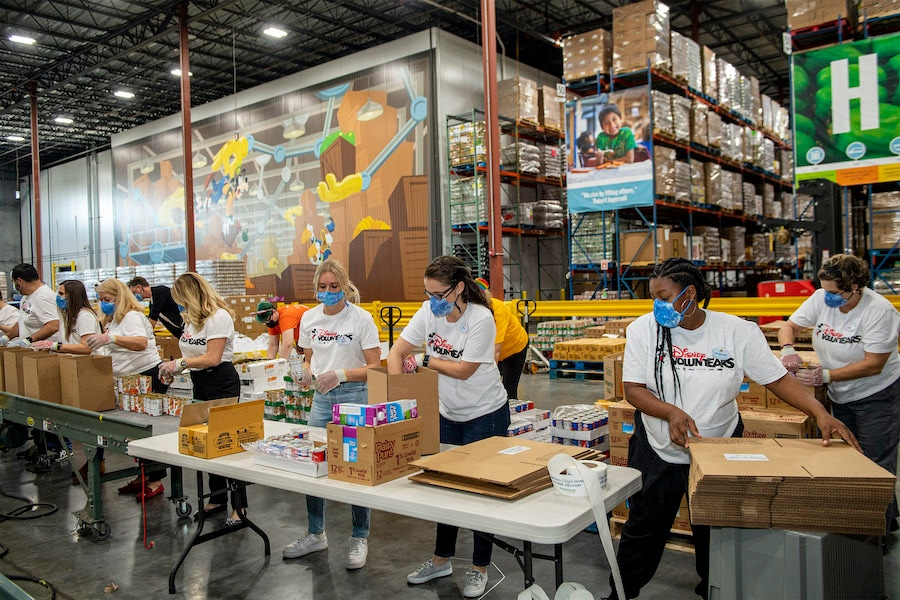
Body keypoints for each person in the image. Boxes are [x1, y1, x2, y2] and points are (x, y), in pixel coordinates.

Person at [603, 258, 859, 600]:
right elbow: (633, 388)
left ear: (689, 293)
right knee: (644, 527)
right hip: (658, 448)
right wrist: (671, 413)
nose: (657, 305)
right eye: (653, 297)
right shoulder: (643, 330)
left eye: (664, 296)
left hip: (718, 448)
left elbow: (778, 380)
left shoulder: (738, 331)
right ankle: (622, 592)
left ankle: (715, 589)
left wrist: (819, 412)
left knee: (715, 530)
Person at [388, 256, 509, 599]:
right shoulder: (429, 313)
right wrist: (400, 400)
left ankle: (479, 567)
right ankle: (441, 559)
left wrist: (425, 359)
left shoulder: (481, 319)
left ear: (458, 288)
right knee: (444, 487)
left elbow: (465, 369)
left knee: (480, 492)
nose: (433, 302)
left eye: (439, 294)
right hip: (448, 413)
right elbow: (397, 352)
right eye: (428, 294)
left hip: (485, 413)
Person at [778, 254, 900, 551]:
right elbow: (788, 326)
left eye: (836, 292)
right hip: (839, 394)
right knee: (849, 459)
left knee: (874, 463)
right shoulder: (821, 298)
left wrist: (826, 376)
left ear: (856, 287)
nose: (828, 297)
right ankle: (886, 518)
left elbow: (874, 364)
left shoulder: (879, 312)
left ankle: (874, 537)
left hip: (876, 395)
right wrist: (787, 349)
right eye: (825, 290)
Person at [282, 259, 381, 570]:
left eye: (334, 287)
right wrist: (304, 374)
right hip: (321, 399)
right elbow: (309, 359)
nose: (328, 292)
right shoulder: (310, 318)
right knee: (314, 463)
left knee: (356, 466)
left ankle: (359, 536)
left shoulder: (361, 319)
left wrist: (340, 374)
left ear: (344, 286)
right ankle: (316, 532)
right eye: (322, 288)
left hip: (354, 397)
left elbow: (375, 368)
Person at [161, 272, 245, 525]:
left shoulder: (219, 317)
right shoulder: (192, 320)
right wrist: (175, 369)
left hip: (221, 381)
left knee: (227, 443)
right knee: (206, 443)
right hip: (200, 382)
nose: (178, 305)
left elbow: (212, 357)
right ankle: (218, 498)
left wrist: (180, 363)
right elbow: (193, 355)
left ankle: (239, 507)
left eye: (180, 300)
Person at [86, 278, 166, 501]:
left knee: (148, 432)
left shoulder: (132, 316)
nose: (104, 304)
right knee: (134, 433)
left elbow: (139, 343)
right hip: (129, 380)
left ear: (119, 297)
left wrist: (110, 338)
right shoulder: (115, 319)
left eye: (107, 300)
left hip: (145, 377)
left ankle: (156, 479)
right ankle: (144, 474)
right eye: (101, 300)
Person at [31, 280, 102, 483]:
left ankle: (95, 463)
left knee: (90, 424)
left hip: (88, 373)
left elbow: (86, 347)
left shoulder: (84, 316)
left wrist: (55, 346)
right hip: (74, 370)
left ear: (73, 295)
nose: (59, 297)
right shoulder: (69, 316)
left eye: (62, 294)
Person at [474, 277, 528, 400]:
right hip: (494, 351)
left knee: (508, 389)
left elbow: (495, 351)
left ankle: (511, 414)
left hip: (514, 349)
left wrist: (486, 377)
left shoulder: (497, 311)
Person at [4, 263, 60, 347]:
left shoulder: (43, 297)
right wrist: (6, 337)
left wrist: (28, 341)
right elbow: (21, 321)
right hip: (29, 351)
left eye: (13, 282)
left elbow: (53, 325)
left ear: (19, 281)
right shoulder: (26, 297)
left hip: (43, 353)